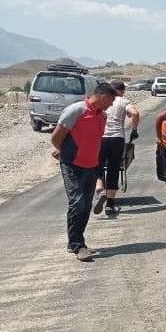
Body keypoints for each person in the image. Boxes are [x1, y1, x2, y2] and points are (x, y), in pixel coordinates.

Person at [50, 83, 117, 261]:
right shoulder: (76, 110)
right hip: (72, 164)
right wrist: (64, 152)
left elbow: (94, 140)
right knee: (77, 202)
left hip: (91, 165)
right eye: (110, 101)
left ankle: (74, 241)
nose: (111, 105)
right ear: (102, 96)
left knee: (85, 205)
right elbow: (56, 137)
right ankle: (78, 245)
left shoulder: (102, 116)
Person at [94, 80, 140, 215]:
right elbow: (135, 114)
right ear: (122, 91)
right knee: (114, 170)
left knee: (97, 166)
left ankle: (100, 190)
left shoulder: (103, 101)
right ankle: (110, 204)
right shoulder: (123, 101)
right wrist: (134, 129)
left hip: (101, 138)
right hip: (117, 139)